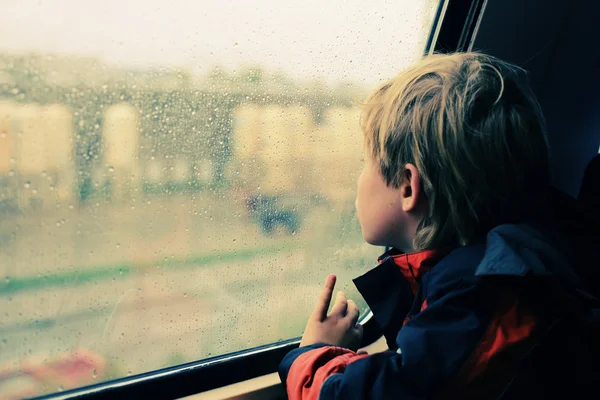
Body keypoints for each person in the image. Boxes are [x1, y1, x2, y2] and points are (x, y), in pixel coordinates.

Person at [278, 53, 600, 399]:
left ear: (407, 186)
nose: (358, 179)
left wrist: (313, 354)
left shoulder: (485, 294)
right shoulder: (498, 264)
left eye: (364, 162)